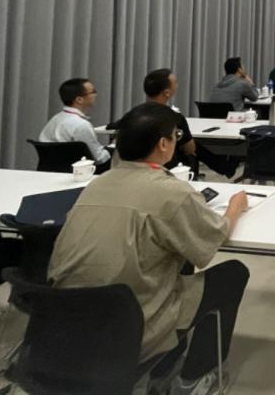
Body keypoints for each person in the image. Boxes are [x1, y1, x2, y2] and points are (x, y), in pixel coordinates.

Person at [48, 103, 250, 395]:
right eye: (175, 135)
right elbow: (214, 237)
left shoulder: (96, 184)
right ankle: (192, 379)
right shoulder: (172, 191)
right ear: (164, 144)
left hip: (66, 321)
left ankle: (166, 362)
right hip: (128, 327)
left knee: (178, 258)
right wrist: (235, 207)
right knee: (232, 274)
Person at [139, 68, 238, 178]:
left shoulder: (134, 116)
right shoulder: (175, 118)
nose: (177, 86)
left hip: (139, 168)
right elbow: (190, 149)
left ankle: (225, 167)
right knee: (192, 147)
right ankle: (225, 166)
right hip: (170, 169)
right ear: (167, 93)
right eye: (175, 84)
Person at [37, 78, 111, 168]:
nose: (96, 95)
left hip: (50, 170)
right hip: (77, 171)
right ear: (79, 99)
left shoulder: (55, 119)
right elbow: (99, 159)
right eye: (93, 92)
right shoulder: (81, 125)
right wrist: (114, 148)